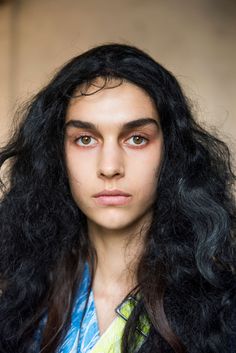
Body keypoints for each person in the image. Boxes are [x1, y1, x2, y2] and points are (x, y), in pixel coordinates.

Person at [0, 43, 235, 353]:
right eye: (85, 139)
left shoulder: (222, 309)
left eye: (137, 139)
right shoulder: (20, 304)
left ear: (171, 153)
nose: (109, 167)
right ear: (58, 154)